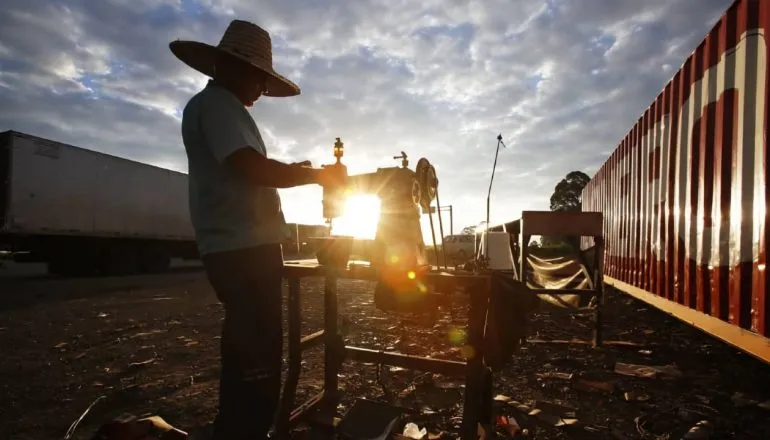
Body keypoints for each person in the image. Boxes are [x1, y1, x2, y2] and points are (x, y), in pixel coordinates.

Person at [169, 19, 345, 440]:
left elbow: (246, 167)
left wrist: (301, 172)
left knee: (252, 352)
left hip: (240, 247)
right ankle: (243, 431)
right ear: (236, 68)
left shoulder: (217, 108)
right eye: (261, 82)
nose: (262, 92)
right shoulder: (218, 106)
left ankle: (240, 428)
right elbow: (247, 166)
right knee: (257, 360)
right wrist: (317, 176)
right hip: (243, 250)